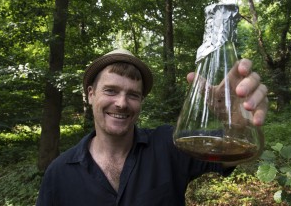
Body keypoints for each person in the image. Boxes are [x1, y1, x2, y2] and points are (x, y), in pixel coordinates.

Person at [36, 48, 268, 206]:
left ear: (141, 102)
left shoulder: (169, 145)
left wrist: (236, 123)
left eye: (133, 94)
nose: (122, 103)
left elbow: (231, 155)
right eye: (111, 90)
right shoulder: (59, 173)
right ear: (90, 94)